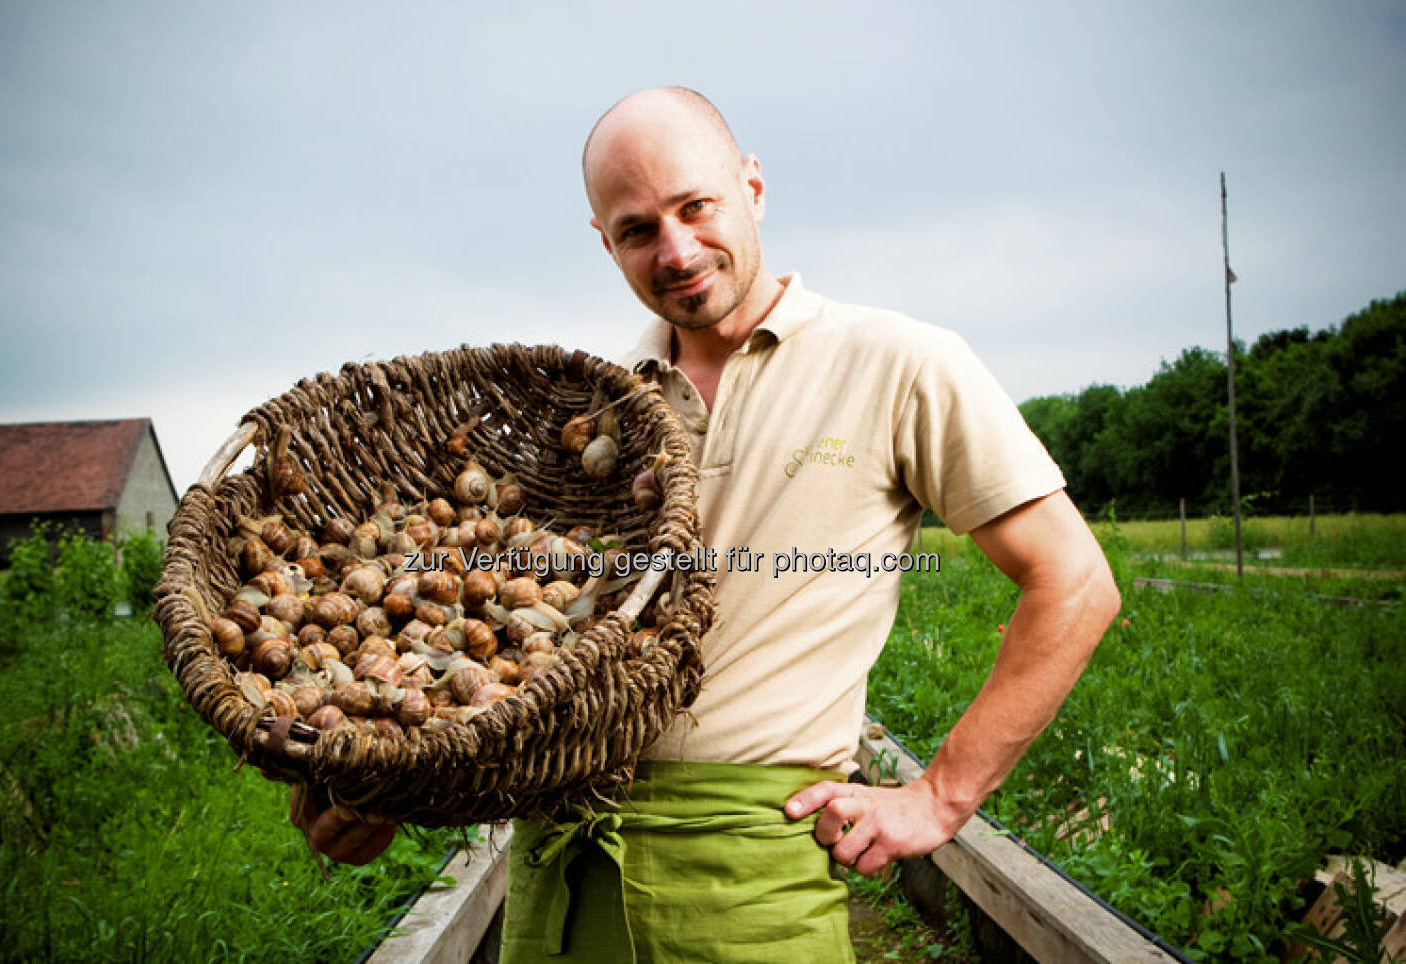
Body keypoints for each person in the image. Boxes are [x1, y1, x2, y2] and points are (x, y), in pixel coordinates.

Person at [297, 87, 1120, 962]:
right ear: (603, 241)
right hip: (561, 868)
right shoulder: (593, 411)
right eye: (638, 229)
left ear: (753, 186)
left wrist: (941, 797)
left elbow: (1074, 582)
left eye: (697, 207)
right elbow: (506, 641)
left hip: (750, 880)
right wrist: (383, 776)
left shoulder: (899, 363)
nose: (678, 251)